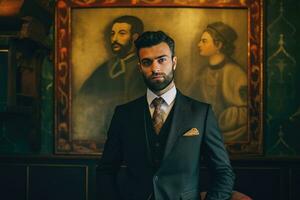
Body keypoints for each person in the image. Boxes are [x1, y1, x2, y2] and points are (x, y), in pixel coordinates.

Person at [97, 31, 234, 200]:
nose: (155, 68)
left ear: (174, 62)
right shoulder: (123, 114)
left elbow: (223, 172)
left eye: (162, 60)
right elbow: (106, 170)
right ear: (139, 66)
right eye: (147, 62)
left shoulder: (201, 113)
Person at [72, 16, 145, 145]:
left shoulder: (145, 69)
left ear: (135, 38)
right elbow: (82, 101)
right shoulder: (103, 69)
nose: (114, 39)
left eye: (121, 33)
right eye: (112, 34)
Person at [191, 21, 248, 142]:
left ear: (219, 45)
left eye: (204, 41)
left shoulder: (235, 73)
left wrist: (221, 120)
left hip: (232, 135)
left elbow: (246, 112)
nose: (199, 44)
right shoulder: (202, 74)